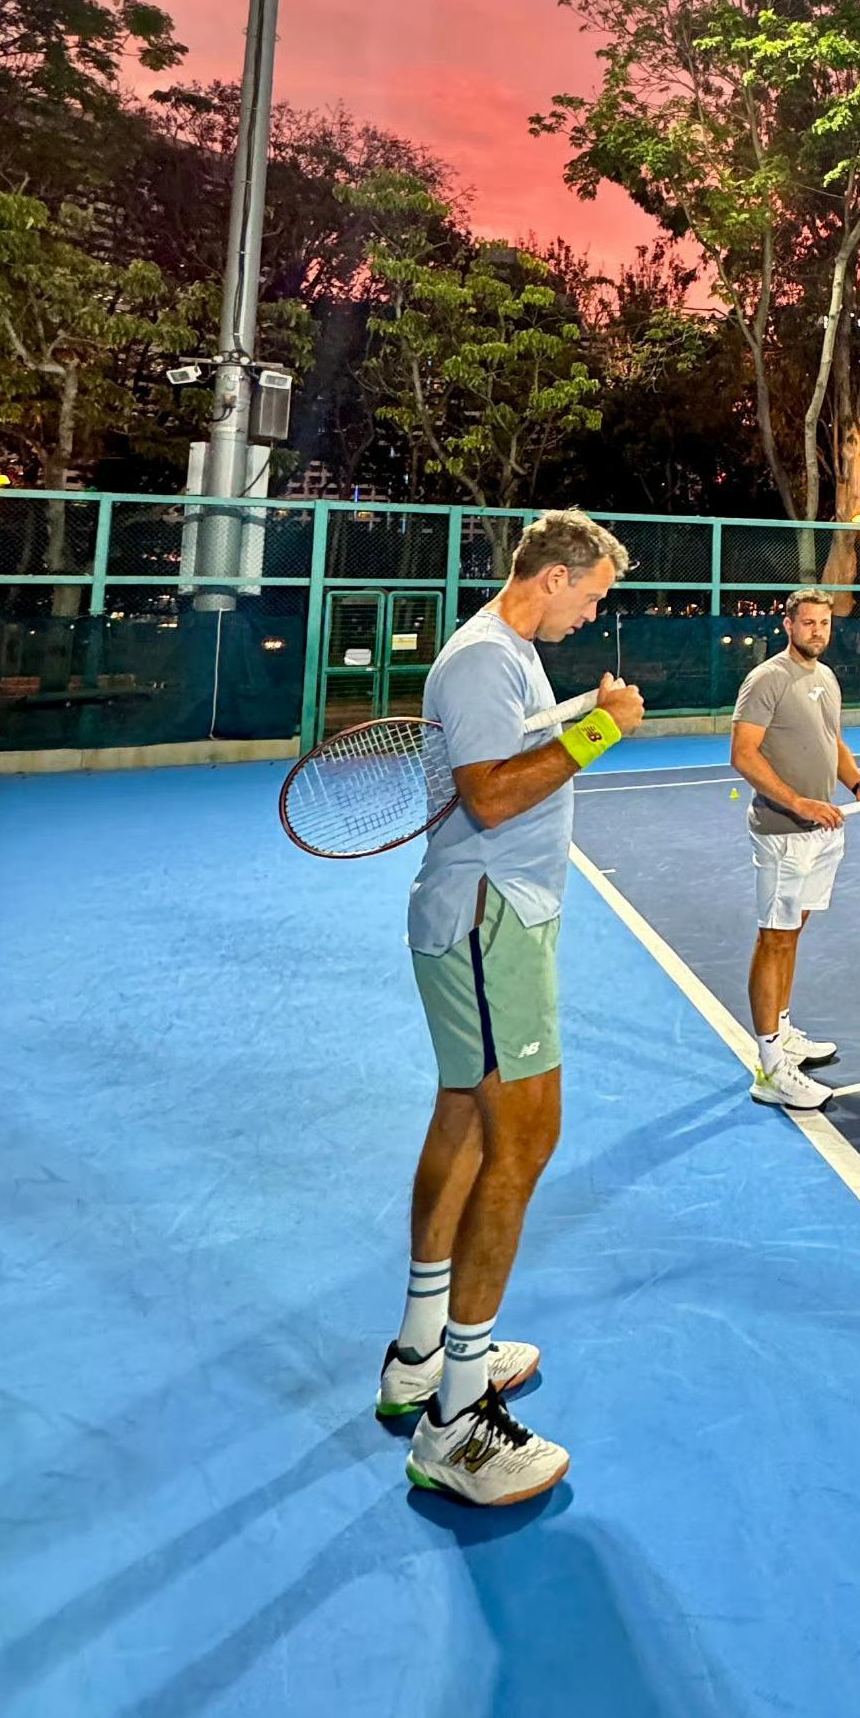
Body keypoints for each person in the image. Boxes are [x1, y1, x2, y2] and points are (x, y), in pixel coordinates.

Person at [380, 507, 643, 1506]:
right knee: (521, 1145)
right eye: (594, 594)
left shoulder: (513, 653)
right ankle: (454, 1423)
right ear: (552, 578)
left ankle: (418, 1355)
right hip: (492, 921)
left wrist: (580, 702)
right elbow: (491, 796)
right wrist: (599, 729)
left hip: (485, 919)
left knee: (461, 1119)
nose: (594, 611)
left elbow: (513, 748)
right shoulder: (486, 659)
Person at [730, 587, 860, 1111]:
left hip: (824, 829)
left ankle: (783, 1030)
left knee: (793, 932)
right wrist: (796, 801)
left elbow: (832, 741)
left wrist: (859, 785)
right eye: (808, 623)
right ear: (788, 624)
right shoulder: (768, 678)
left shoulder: (825, 677)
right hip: (782, 832)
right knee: (774, 939)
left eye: (824, 623)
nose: (817, 631)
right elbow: (742, 754)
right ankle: (770, 1067)